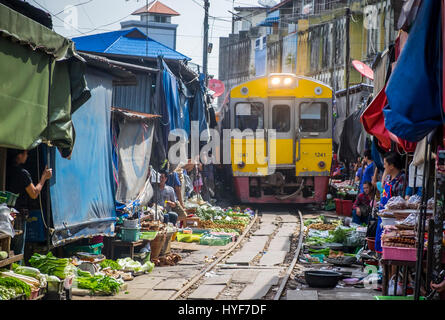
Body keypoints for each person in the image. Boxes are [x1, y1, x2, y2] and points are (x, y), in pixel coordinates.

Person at [5, 149, 52, 258]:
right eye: (25, 153)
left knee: (6, 250)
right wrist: (44, 178)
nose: (27, 155)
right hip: (17, 216)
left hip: (4, 214)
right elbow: (34, 193)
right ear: (19, 155)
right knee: (17, 251)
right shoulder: (22, 173)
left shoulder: (6, 170)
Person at [374, 152, 406, 253]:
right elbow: (384, 188)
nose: (384, 167)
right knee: (381, 243)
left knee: (390, 248)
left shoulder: (401, 179)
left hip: (393, 221)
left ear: (392, 166)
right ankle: (382, 267)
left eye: (385, 164)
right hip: (383, 217)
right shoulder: (388, 177)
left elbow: (401, 203)